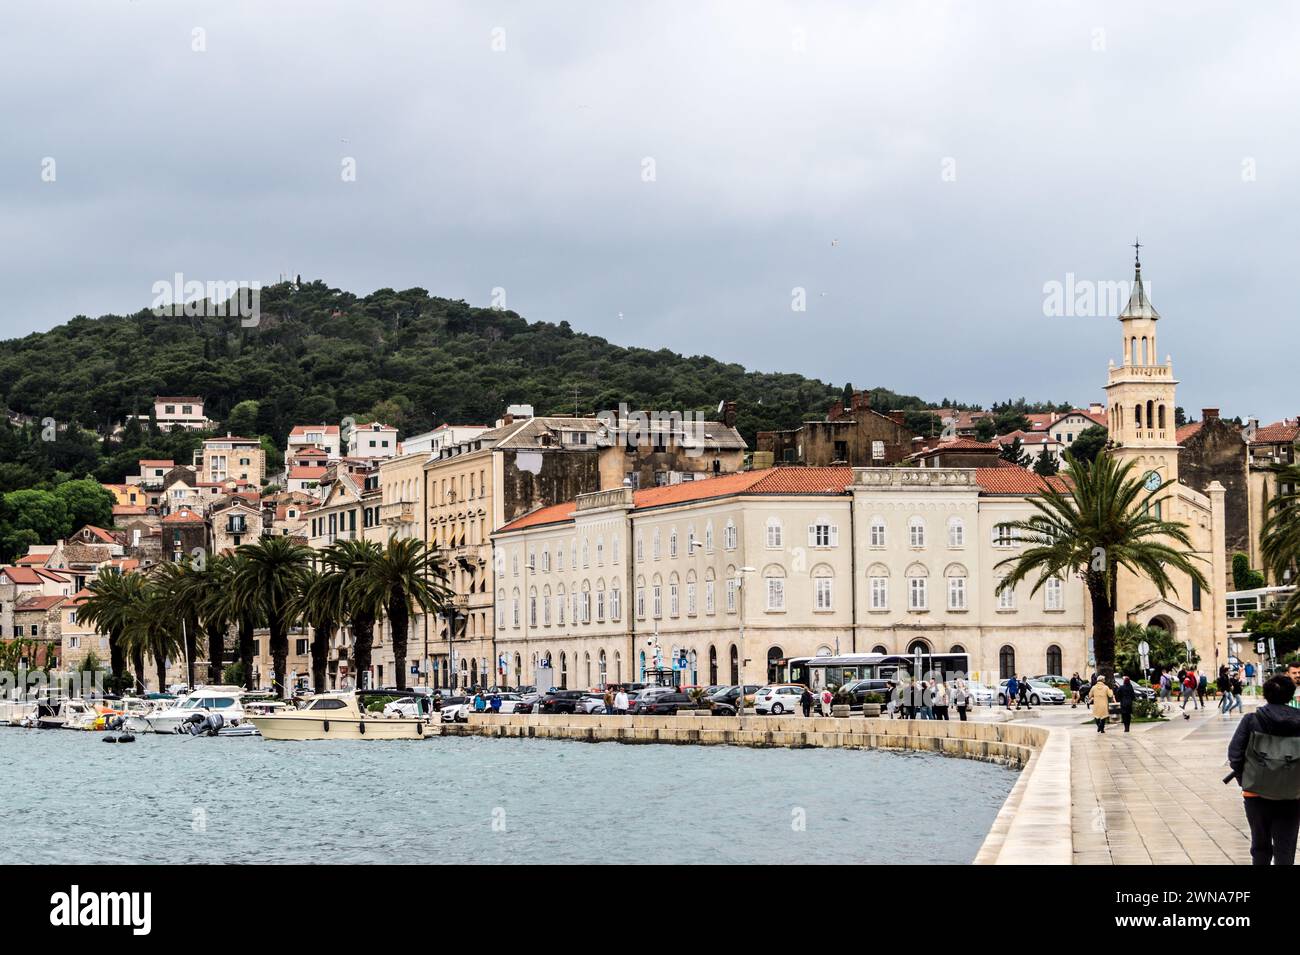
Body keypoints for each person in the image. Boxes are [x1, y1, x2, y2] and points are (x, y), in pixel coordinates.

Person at [1227, 675, 1300, 865]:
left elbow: (1235, 754)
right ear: (1291, 694)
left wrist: (1246, 780)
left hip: (1255, 794)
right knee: (1285, 848)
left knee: (1260, 847)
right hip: (1292, 795)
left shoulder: (1252, 720)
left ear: (1265, 695)